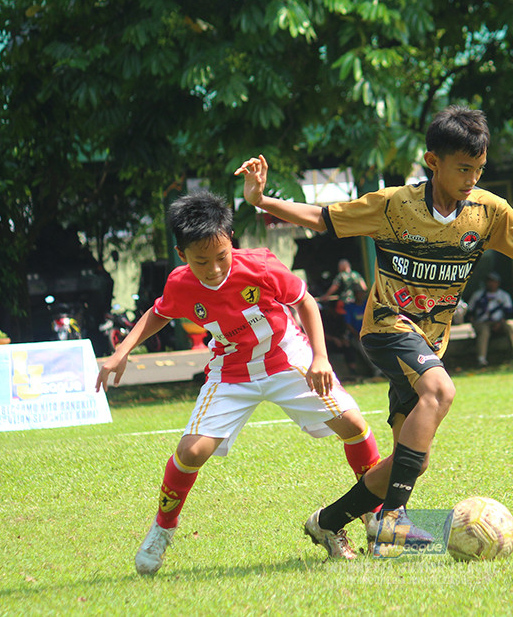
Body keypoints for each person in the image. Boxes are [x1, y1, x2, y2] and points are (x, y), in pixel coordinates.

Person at [236, 104, 513, 558]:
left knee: (413, 460)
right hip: (386, 327)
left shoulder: (489, 212)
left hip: (429, 341)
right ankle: (392, 522)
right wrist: (261, 201)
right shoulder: (393, 206)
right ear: (433, 162)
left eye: (479, 169)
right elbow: (322, 218)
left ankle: (329, 522)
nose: (472, 178)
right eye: (463, 168)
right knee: (441, 391)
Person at [96, 190, 385, 572]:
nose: (214, 268)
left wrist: (320, 357)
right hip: (231, 370)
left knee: (354, 426)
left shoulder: (260, 266)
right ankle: (162, 529)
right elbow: (159, 311)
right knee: (190, 453)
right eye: (201, 261)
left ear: (231, 241)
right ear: (183, 255)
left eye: (221, 256)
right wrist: (122, 351)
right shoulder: (181, 282)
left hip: (286, 357)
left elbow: (305, 302)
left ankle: (379, 517)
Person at [466, 271, 513, 365]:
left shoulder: (503, 295)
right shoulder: (478, 295)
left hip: (498, 322)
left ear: (498, 283)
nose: (491, 284)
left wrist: (500, 323)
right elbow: (470, 311)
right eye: (489, 281)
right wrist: (473, 322)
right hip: (482, 322)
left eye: (493, 281)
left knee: (510, 329)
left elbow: (508, 312)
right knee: (484, 332)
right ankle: (481, 359)